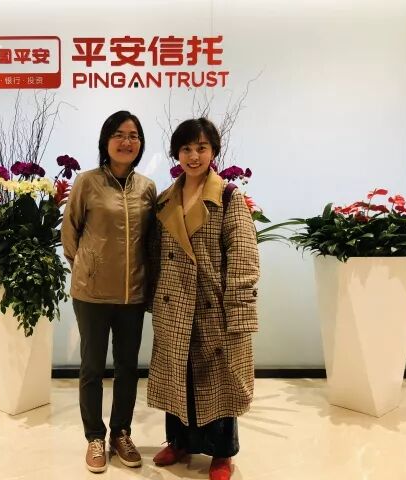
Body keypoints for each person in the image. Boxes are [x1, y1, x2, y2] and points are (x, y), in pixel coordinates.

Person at [147, 118, 260, 480]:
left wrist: (239, 311)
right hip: (174, 305)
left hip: (213, 305)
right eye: (186, 149)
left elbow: (243, 256)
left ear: (213, 152)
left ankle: (222, 453)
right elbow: (155, 254)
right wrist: (152, 300)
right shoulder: (165, 200)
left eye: (201, 148)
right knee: (177, 375)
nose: (193, 156)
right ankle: (179, 441)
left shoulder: (228, 197)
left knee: (218, 382)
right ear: (176, 154)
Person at [61, 110, 156, 473]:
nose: (126, 141)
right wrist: (89, 267)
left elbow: (150, 241)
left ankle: (121, 433)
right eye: (118, 134)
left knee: (128, 368)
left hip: (133, 293)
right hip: (92, 294)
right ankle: (94, 437)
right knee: (92, 367)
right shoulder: (87, 182)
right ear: (105, 141)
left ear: (140, 143)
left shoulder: (147, 188)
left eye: (133, 135)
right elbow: (70, 232)